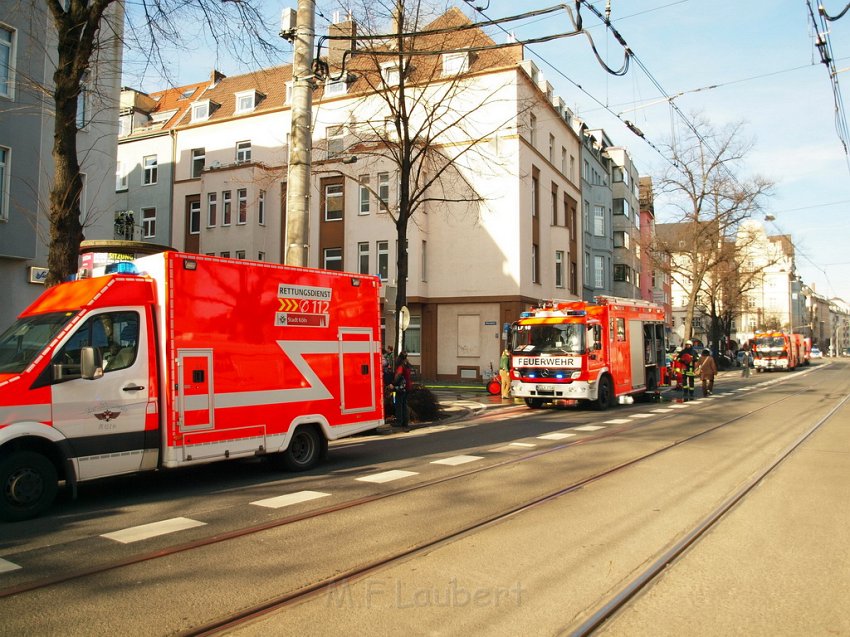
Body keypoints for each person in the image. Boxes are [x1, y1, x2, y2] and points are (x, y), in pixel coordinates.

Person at [390, 351, 412, 432]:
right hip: (408, 387)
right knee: (404, 405)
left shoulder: (401, 366)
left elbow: (398, 376)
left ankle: (399, 421)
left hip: (401, 388)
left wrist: (393, 384)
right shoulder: (407, 365)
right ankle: (405, 422)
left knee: (399, 405)